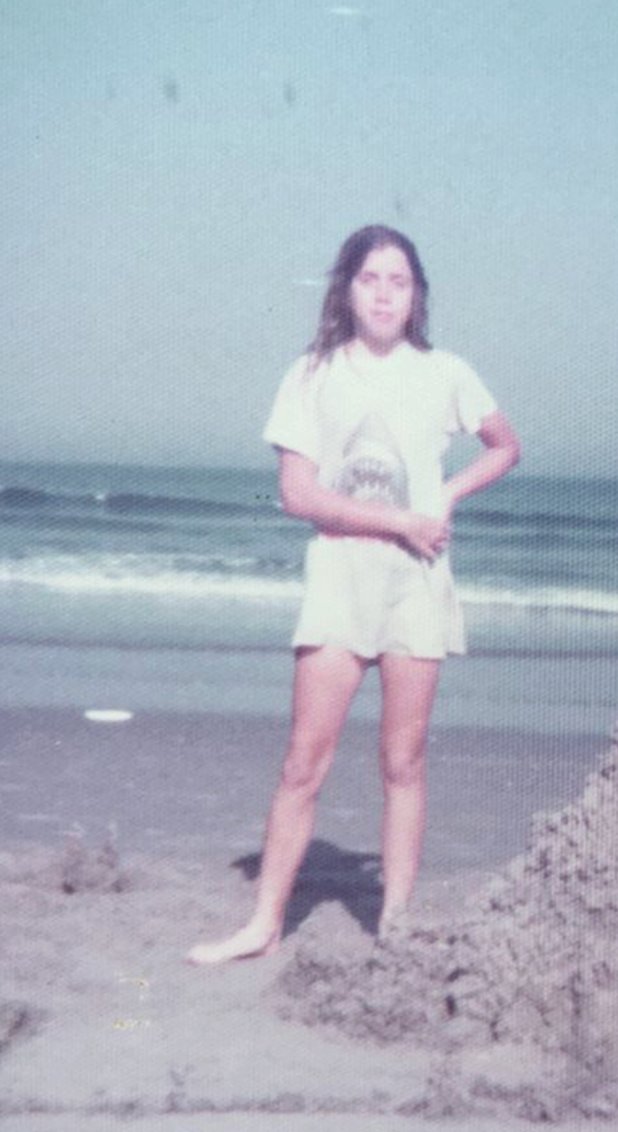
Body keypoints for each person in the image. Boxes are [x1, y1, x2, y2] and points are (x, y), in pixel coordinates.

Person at [187, 224, 520, 965]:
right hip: (340, 580)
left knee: (403, 762)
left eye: (399, 281)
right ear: (346, 288)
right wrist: (401, 519)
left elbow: (505, 444)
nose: (384, 294)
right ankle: (263, 923)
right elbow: (299, 495)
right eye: (370, 279)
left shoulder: (446, 373)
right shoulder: (310, 374)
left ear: (417, 294)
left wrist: (447, 495)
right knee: (303, 762)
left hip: (416, 585)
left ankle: (395, 926)